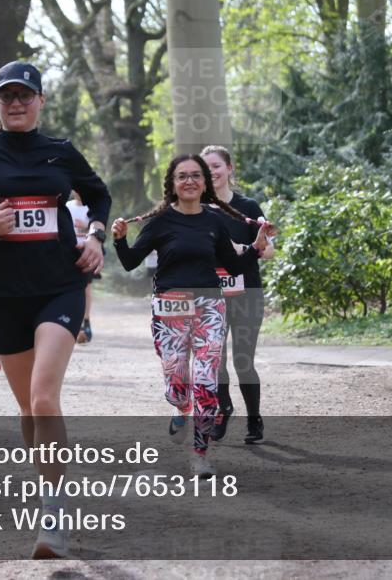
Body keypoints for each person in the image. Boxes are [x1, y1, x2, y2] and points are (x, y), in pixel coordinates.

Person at [0, 61, 110, 559]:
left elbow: (98, 194)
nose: (16, 103)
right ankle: (49, 484)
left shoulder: (60, 153)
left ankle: (52, 514)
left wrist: (96, 237)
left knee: (44, 398)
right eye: (7, 96)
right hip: (3, 293)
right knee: (28, 408)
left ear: (39, 101)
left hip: (60, 286)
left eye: (24, 96)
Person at [111, 154, 274, 478]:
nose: (189, 181)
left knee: (205, 383)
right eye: (182, 176)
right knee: (177, 386)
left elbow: (234, 266)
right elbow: (130, 262)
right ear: (172, 183)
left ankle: (200, 455)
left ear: (204, 183)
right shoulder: (160, 222)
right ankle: (180, 406)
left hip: (210, 307)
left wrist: (256, 246)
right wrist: (119, 240)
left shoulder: (214, 221)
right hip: (170, 308)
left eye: (195, 175)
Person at [201, 145, 273, 445]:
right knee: (214, 358)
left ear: (229, 169)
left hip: (246, 292)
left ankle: (254, 420)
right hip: (209, 294)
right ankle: (223, 407)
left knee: (243, 360)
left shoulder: (249, 207)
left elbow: (268, 250)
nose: (212, 173)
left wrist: (240, 249)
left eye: (216, 166)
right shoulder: (197, 208)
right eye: (206, 168)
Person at [66, 191, 97, 343]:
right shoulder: (67, 206)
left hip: (87, 251)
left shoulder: (91, 207)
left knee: (86, 289)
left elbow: (98, 229)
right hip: (69, 252)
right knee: (68, 289)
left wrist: (85, 227)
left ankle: (86, 322)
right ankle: (70, 324)